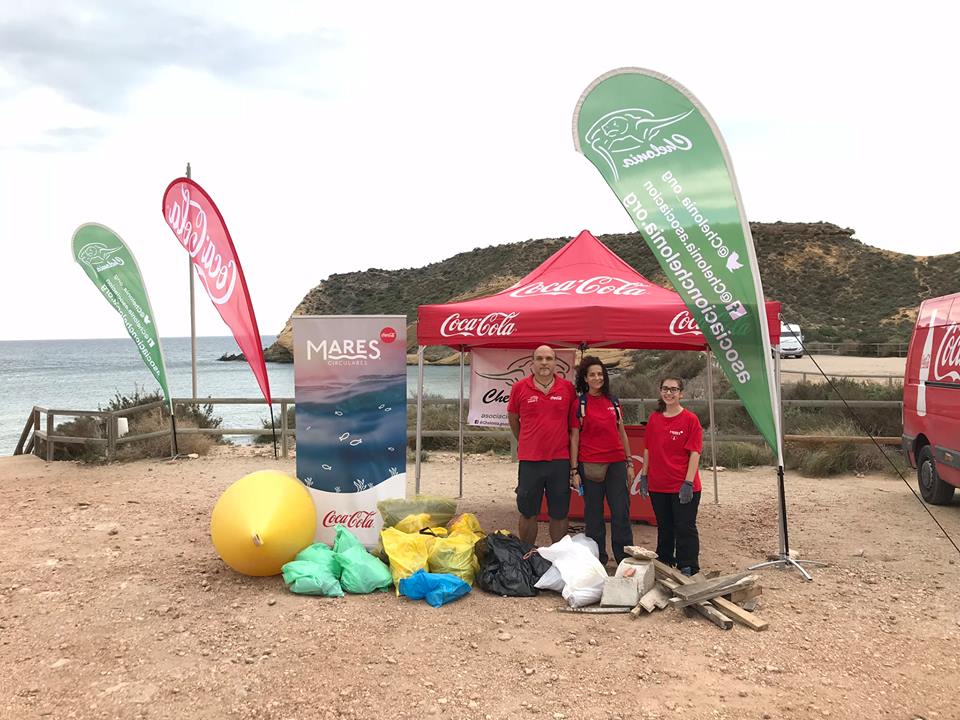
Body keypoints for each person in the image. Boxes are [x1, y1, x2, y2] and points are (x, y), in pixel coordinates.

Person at [507, 345, 578, 545]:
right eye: (540, 359)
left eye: (549, 358)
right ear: (532, 363)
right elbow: (513, 419)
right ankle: (527, 554)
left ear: (555, 362)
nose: (544, 363)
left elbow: (573, 426)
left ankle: (559, 556)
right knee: (528, 511)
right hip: (530, 461)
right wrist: (526, 440)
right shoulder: (519, 388)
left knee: (559, 512)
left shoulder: (567, 388)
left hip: (560, 460)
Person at [569, 356, 634, 566]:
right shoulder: (580, 404)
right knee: (594, 515)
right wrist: (574, 470)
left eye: (600, 374)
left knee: (621, 513)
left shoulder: (613, 401)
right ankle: (598, 558)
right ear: (585, 379)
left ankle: (624, 558)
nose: (597, 378)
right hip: (591, 466)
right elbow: (575, 438)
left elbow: (622, 432)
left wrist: (630, 462)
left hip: (616, 463)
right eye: (592, 375)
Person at [639, 376, 703, 575]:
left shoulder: (690, 419)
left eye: (674, 390)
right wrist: (644, 476)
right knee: (664, 527)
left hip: (682, 484)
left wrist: (688, 482)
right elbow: (648, 449)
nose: (669, 393)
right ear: (660, 391)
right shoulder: (654, 418)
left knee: (684, 527)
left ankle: (688, 565)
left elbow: (695, 452)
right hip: (659, 485)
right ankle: (665, 561)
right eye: (665, 389)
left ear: (681, 393)